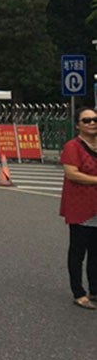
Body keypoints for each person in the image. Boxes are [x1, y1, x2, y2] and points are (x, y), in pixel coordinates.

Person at [59, 107, 97, 310]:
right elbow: (72, 173)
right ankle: (78, 292)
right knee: (78, 251)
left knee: (96, 252)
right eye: (86, 120)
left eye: (95, 119)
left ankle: (95, 290)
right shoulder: (72, 146)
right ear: (78, 125)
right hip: (81, 206)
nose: (92, 123)